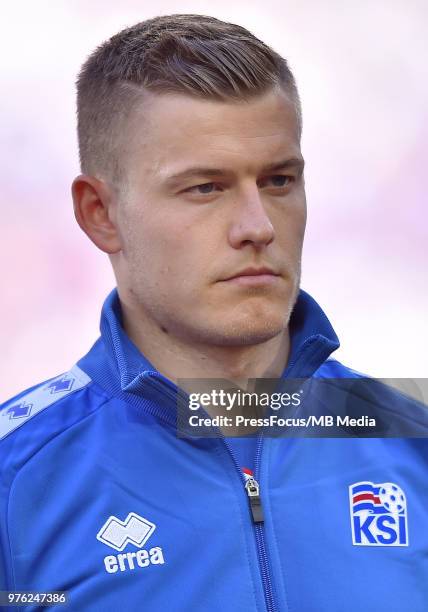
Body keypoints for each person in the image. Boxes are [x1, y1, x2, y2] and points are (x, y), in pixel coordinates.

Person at [1, 14, 427, 612]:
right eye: (205, 187)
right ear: (100, 212)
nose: (257, 226)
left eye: (279, 180)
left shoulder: (413, 445)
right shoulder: (17, 480)